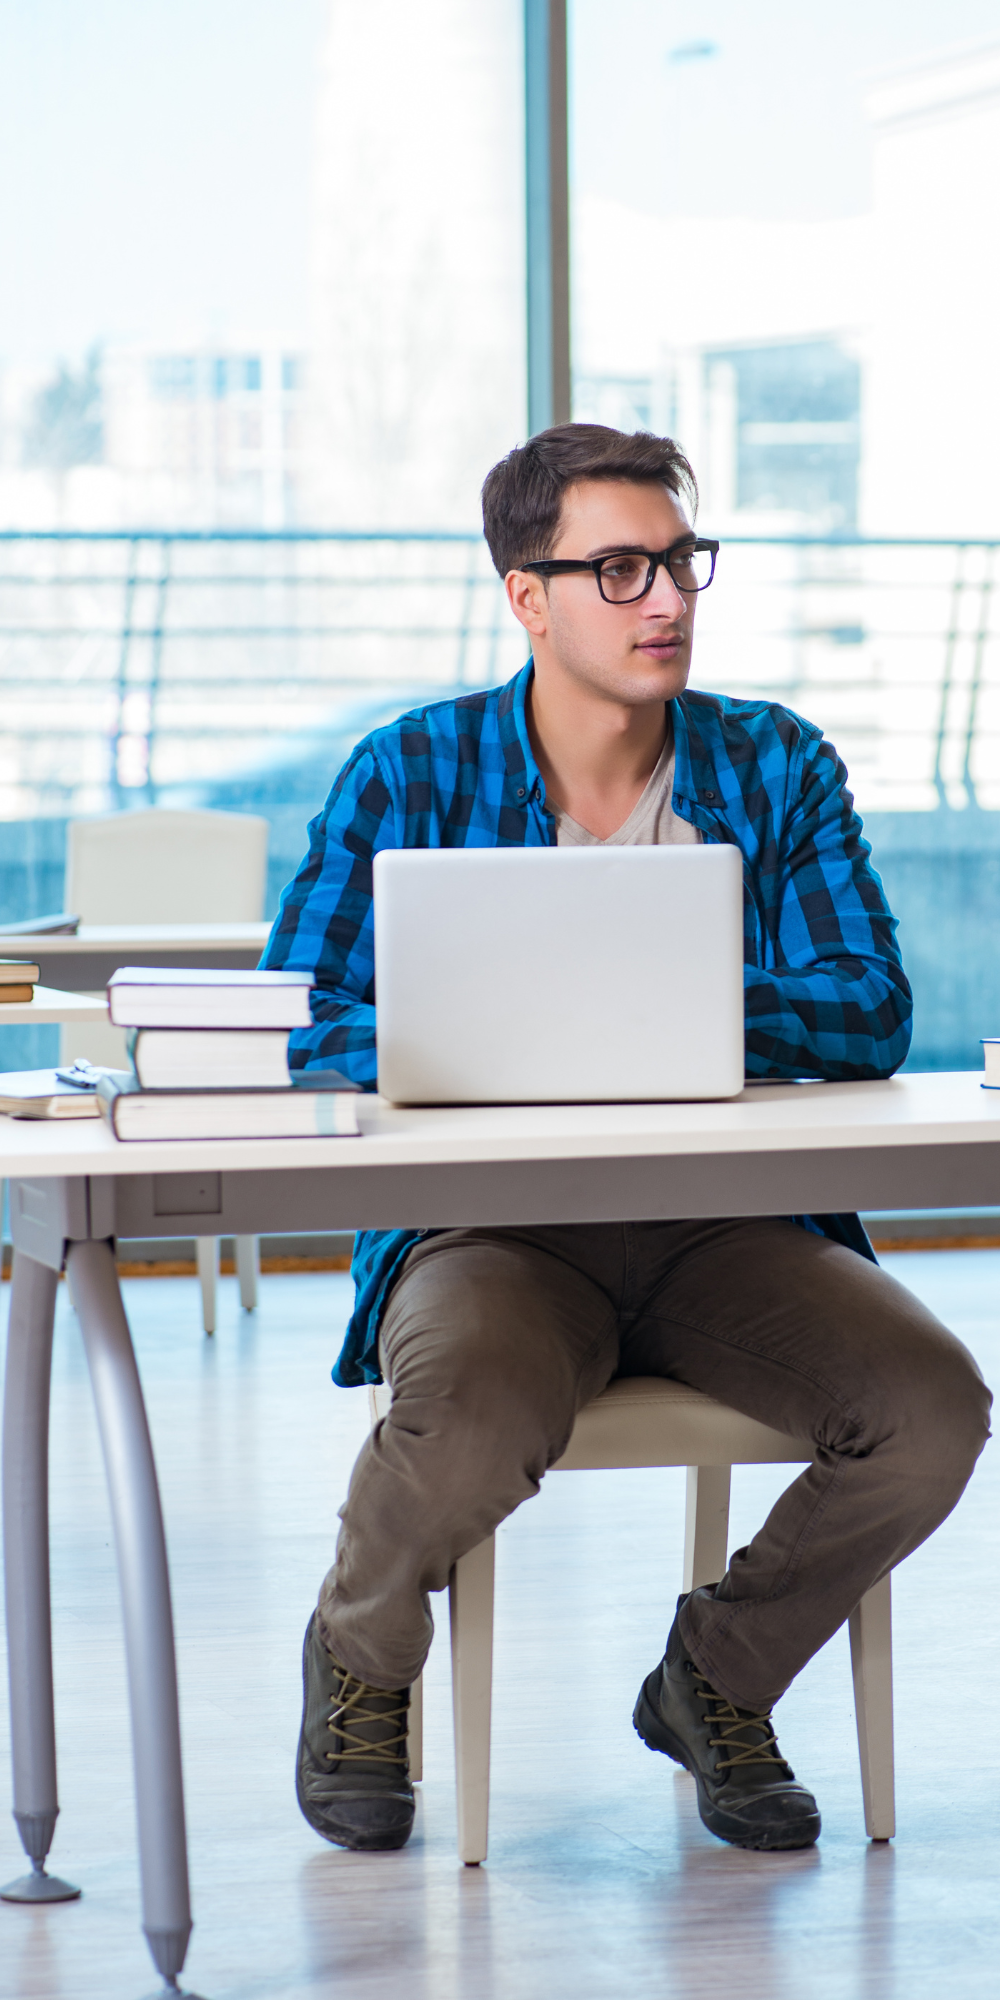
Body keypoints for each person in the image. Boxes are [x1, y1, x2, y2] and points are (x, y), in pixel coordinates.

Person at [262, 423, 991, 1858]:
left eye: (679, 562)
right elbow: (309, 1019)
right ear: (528, 595)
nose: (665, 600)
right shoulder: (409, 769)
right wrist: (474, 1045)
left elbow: (868, 1010)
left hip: (731, 1233)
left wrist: (658, 1008)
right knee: (468, 1411)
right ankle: (360, 1654)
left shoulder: (773, 763)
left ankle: (712, 1678)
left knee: (932, 1412)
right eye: (619, 568)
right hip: (493, 1233)